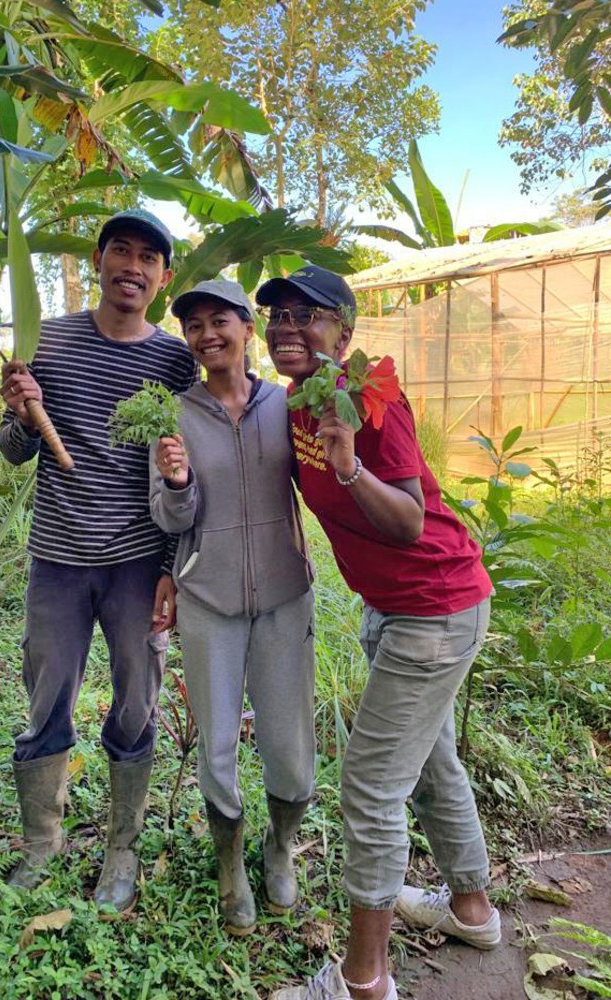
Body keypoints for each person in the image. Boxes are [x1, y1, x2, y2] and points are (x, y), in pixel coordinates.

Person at [257, 266, 499, 1000]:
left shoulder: (369, 403)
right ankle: (471, 911)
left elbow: (408, 522)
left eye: (308, 315)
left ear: (346, 333)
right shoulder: (296, 402)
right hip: (394, 608)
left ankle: (364, 982)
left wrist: (350, 465)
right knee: (432, 763)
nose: (287, 328)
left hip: (435, 604)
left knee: (369, 785)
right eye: (277, 317)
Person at [0, 209, 197, 913]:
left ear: (163, 278)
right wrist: (22, 417)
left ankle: (122, 847)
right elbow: (15, 451)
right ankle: (41, 846)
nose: (132, 268)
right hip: (57, 559)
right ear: (100, 258)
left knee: (137, 702)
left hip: (138, 564)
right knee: (45, 699)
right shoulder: (46, 342)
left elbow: (182, 469)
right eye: (121, 251)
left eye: (148, 258)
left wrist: (174, 564)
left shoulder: (175, 361)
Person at [149, 278, 316, 936]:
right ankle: (230, 865)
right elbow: (167, 517)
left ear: (248, 329)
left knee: (292, 748)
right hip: (209, 598)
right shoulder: (173, 414)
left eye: (220, 320)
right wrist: (178, 480)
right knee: (216, 747)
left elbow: (323, 482)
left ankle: (279, 847)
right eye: (194, 326)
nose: (207, 334)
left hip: (283, 597)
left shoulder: (287, 406)